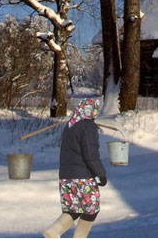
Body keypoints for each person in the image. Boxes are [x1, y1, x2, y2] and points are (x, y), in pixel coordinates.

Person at [43, 97, 108, 238]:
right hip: (83, 178)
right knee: (91, 210)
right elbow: (91, 154)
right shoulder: (87, 126)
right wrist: (101, 174)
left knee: (73, 210)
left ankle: (54, 231)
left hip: (66, 178)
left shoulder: (71, 124)